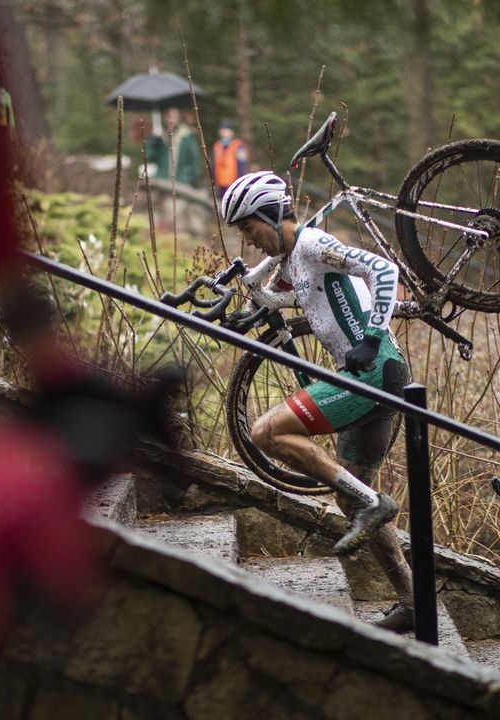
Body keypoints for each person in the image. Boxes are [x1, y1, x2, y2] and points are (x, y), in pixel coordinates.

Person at [216, 171, 415, 632]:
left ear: (269, 214)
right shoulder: (293, 263)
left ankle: (373, 501)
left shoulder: (311, 245)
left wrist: (371, 334)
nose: (251, 242)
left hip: (372, 370)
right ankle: (411, 601)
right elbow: (271, 298)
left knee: (267, 431)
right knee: (352, 500)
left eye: (250, 230)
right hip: (375, 377)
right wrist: (237, 294)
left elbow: (384, 270)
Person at [165, 108, 202, 188]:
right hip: (166, 182)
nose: (171, 120)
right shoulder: (163, 137)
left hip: (183, 181)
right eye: (169, 117)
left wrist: (192, 180)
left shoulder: (187, 137)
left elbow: (195, 160)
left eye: (174, 117)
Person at [212, 120, 248, 196]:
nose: (225, 133)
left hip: (233, 184)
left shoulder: (239, 147)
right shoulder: (217, 146)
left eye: (227, 131)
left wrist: (240, 183)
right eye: (223, 131)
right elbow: (214, 166)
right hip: (220, 184)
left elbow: (242, 166)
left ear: (232, 133)